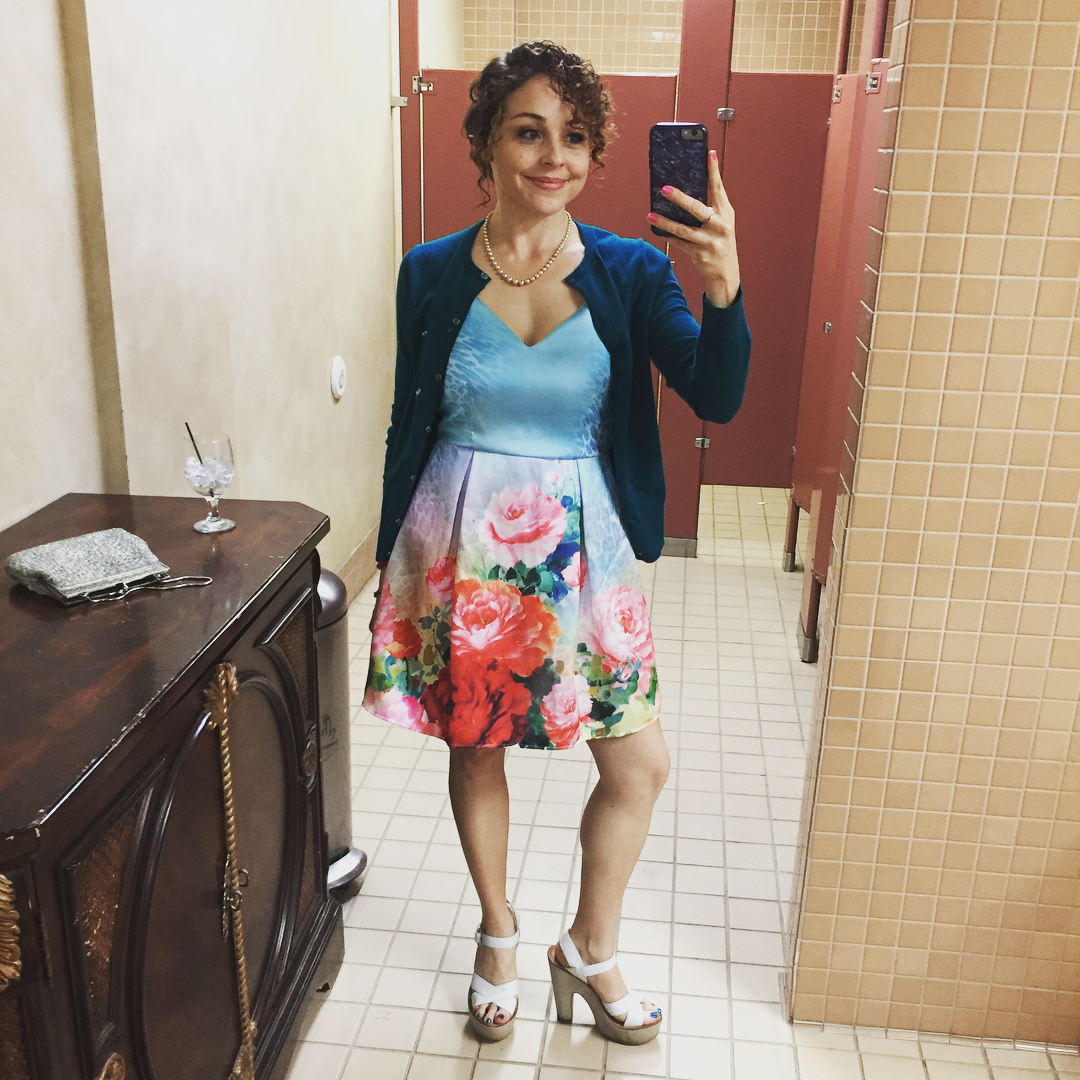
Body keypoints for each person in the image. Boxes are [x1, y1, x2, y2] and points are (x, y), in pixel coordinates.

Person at [364, 40, 749, 1047]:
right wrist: (391, 559)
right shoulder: (428, 273)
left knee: (637, 764)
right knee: (476, 749)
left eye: (574, 138)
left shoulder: (632, 271)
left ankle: (589, 945)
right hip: (458, 549)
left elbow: (716, 394)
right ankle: (497, 934)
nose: (553, 157)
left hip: (586, 555)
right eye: (529, 132)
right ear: (486, 142)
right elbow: (409, 421)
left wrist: (723, 289)